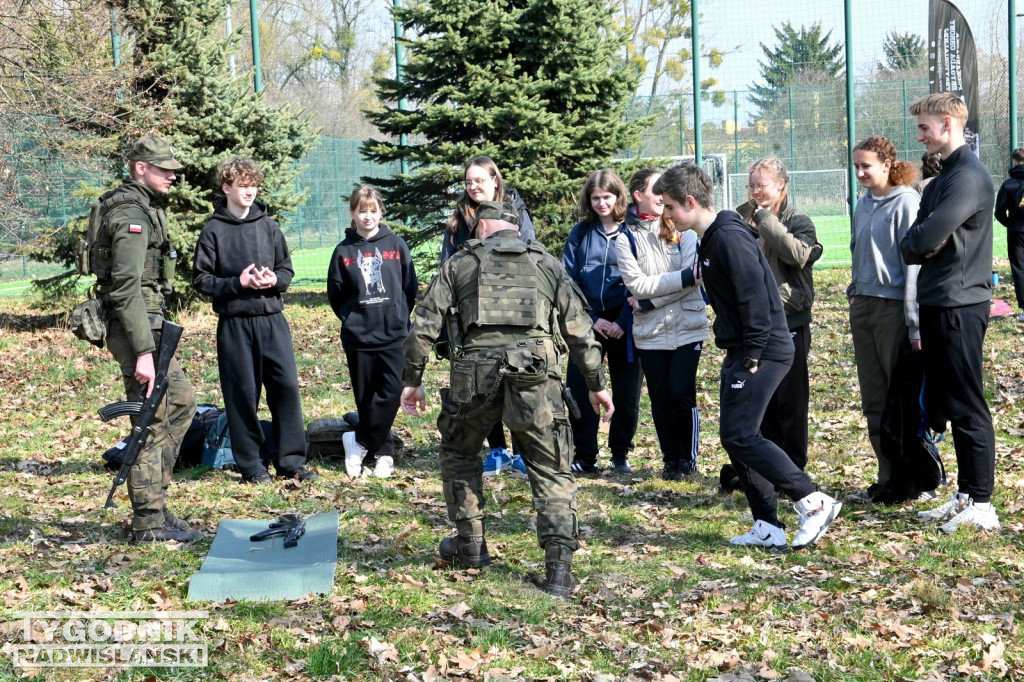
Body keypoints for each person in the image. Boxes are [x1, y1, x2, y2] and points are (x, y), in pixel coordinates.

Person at [400, 200, 614, 597]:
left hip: (473, 378)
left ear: (482, 228)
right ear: (515, 231)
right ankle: (558, 569)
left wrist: (412, 380)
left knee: (460, 454)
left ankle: (470, 545)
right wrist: (597, 383)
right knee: (550, 467)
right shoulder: (547, 264)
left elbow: (422, 328)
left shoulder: (459, 264)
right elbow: (580, 332)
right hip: (536, 377)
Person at [655, 162, 841, 551]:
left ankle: (813, 500)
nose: (666, 215)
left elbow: (756, 296)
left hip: (763, 349)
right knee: (736, 437)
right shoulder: (713, 237)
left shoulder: (728, 237)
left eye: (669, 206)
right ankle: (767, 526)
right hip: (744, 347)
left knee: (741, 434)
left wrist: (754, 352)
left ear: (690, 201)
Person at [92, 136, 200, 543]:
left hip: (149, 323)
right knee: (150, 418)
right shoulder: (130, 214)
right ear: (140, 167)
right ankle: (148, 520)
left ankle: (155, 502)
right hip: (137, 329)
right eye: (163, 168)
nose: (172, 175)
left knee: (181, 403)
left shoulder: (144, 207)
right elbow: (124, 288)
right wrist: (142, 351)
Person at [900, 92, 999, 533]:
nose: (919, 135)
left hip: (961, 304)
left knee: (967, 404)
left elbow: (922, 241)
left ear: (946, 123)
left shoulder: (969, 177)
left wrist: (926, 239)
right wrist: (924, 239)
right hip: (938, 302)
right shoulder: (943, 178)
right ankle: (965, 496)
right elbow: (913, 242)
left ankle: (982, 504)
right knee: (949, 402)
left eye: (924, 127)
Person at [193, 157, 315, 484]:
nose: (250, 191)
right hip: (234, 324)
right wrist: (238, 283)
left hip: (273, 321)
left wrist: (273, 279)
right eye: (243, 186)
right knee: (242, 395)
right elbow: (201, 280)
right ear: (226, 188)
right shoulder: (213, 230)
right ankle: (252, 467)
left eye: (253, 185)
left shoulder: (268, 226)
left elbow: (287, 272)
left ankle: (290, 462)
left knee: (286, 389)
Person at [442, 156, 535, 476]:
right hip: (474, 316)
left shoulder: (517, 213)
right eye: (468, 181)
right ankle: (497, 450)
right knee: (485, 382)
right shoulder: (459, 219)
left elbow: (531, 255)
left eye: (479, 180)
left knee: (519, 381)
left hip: (514, 311)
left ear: (495, 179)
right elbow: (449, 266)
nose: (473, 186)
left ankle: (524, 452)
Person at [616, 168, 709, 481]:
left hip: (688, 328)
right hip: (650, 333)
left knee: (681, 394)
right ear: (639, 195)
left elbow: (692, 280)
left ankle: (688, 461)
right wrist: (651, 295)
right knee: (660, 399)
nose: (662, 196)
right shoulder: (625, 238)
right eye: (656, 190)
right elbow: (638, 286)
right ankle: (670, 460)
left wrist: (648, 301)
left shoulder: (686, 231)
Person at [736, 158, 822, 474]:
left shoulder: (798, 220)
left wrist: (764, 219)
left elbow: (797, 254)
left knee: (791, 401)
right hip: (753, 324)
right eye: (752, 185)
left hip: (789, 319)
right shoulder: (739, 216)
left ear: (781, 185)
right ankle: (768, 467)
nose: (756, 191)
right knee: (761, 400)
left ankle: (794, 468)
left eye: (762, 185)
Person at [848, 136, 922, 498]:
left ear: (888, 164)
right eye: (856, 166)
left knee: (901, 400)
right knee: (874, 399)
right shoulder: (862, 204)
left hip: (893, 309)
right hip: (863, 306)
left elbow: (914, 263)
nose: (860, 172)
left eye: (866, 165)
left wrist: (913, 319)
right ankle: (887, 475)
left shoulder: (906, 203)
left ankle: (914, 475)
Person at [327, 185, 418, 478]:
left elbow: (409, 288)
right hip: (359, 337)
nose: (368, 217)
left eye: (373, 211)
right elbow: (336, 294)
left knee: (391, 393)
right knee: (366, 398)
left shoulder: (396, 245)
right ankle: (384, 453)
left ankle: (359, 440)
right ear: (353, 213)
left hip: (393, 335)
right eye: (362, 211)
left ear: (381, 212)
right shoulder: (343, 251)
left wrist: (399, 317)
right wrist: (351, 319)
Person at [561, 168, 644, 474]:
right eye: (595, 197)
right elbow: (568, 282)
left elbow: (641, 280)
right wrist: (593, 319)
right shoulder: (580, 233)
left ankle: (621, 453)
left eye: (607, 196)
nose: (601, 203)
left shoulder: (632, 231)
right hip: (588, 321)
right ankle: (585, 456)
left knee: (627, 392)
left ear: (618, 197)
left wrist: (623, 320)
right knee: (582, 388)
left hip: (626, 321)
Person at [994, 147, 1024, 322]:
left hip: (1016, 233)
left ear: (1014, 162)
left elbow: (999, 212)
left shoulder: (1008, 184)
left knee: (1019, 269)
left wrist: (1010, 224)